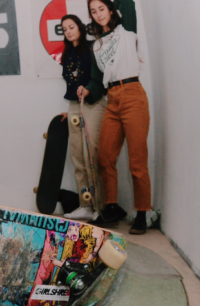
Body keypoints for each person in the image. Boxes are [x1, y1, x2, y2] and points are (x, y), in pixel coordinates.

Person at [81, 0, 151, 234]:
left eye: (102, 8)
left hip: (132, 94)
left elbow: (127, 3)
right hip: (112, 98)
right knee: (104, 157)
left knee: (137, 160)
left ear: (111, 10)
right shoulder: (96, 47)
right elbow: (95, 79)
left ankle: (142, 212)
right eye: (93, 11)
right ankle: (112, 207)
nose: (98, 14)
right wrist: (88, 90)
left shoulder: (126, 30)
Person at [58, 14, 106, 221]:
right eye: (65, 29)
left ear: (80, 27)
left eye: (71, 27)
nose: (68, 31)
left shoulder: (92, 48)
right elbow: (71, 85)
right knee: (77, 157)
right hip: (75, 105)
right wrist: (71, 110)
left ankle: (100, 207)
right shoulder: (67, 54)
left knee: (91, 157)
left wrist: (86, 92)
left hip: (92, 103)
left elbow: (99, 79)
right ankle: (85, 205)